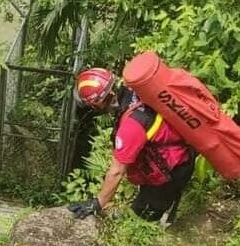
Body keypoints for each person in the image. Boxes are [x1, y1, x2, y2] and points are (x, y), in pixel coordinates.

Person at [67, 68, 196, 222]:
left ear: (98, 104)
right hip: (176, 157)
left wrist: (97, 203)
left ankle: (165, 228)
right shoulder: (134, 92)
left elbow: (117, 171)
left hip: (170, 172)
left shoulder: (131, 125)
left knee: (140, 220)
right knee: (149, 208)